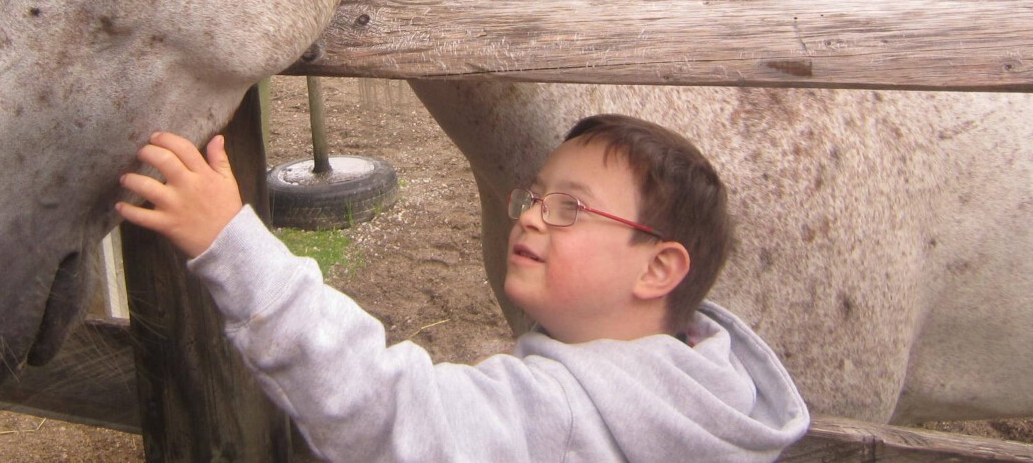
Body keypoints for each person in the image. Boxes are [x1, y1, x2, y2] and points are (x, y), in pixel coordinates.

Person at [117, 114, 809, 462]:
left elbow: (381, 407)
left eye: (572, 207)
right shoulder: (717, 391)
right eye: (536, 196)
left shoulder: (557, 415)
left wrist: (229, 241)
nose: (534, 214)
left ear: (659, 269)